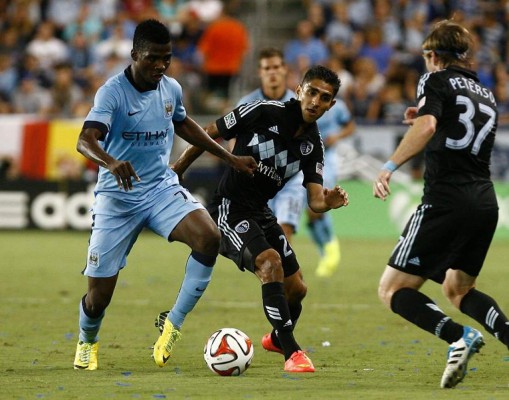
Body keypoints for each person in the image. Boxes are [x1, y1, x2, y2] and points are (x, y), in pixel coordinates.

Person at [72, 19, 257, 371]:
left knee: (208, 237)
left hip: (160, 189)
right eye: (152, 59)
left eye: (166, 59)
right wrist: (111, 162)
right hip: (118, 198)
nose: (160, 66)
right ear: (134, 55)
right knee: (98, 298)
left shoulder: (170, 87)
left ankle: (172, 324)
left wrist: (229, 157)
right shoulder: (112, 93)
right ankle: (87, 340)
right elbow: (85, 140)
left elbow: (184, 123)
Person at [167, 65, 349, 373]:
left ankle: (278, 338)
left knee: (297, 290)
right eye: (313, 92)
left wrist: (327, 202)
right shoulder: (263, 111)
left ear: (331, 105)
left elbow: (315, 200)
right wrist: (179, 168)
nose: (316, 102)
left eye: (325, 98)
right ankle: (292, 353)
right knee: (269, 263)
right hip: (229, 207)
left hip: (261, 212)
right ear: (299, 91)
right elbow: (208, 133)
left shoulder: (312, 144)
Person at [373, 20, 509, 389]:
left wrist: (389, 167)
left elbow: (431, 126)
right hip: (484, 201)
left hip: (445, 200)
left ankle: (457, 337)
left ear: (433, 55)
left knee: (392, 290)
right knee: (459, 289)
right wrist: (424, 117)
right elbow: (453, 125)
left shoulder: (434, 80)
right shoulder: (486, 93)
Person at [311, 95, 355, 277]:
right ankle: (325, 252)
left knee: (319, 203)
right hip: (305, 161)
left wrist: (336, 136)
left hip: (327, 161)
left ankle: (330, 248)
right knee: (310, 213)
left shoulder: (338, 107)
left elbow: (351, 126)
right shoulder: (305, 104)